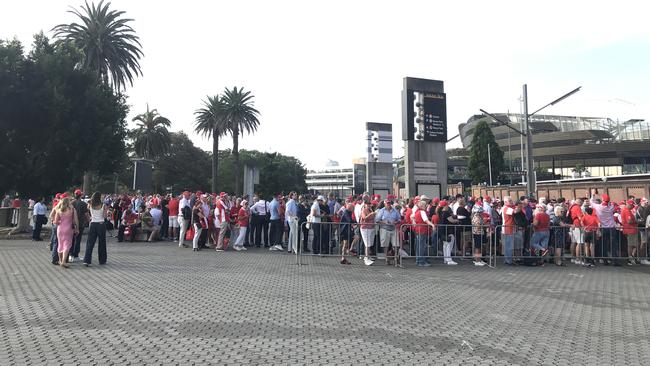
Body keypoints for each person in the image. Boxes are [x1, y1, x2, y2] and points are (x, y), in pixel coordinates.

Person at [53, 197, 79, 268]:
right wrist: (77, 228)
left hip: (60, 229)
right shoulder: (72, 210)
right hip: (69, 228)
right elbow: (76, 220)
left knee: (60, 244)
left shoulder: (59, 210)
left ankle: (60, 261)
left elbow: (55, 221)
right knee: (67, 245)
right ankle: (64, 261)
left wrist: (60, 222)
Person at [83, 192, 107, 266]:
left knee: (90, 243)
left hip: (93, 224)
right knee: (102, 242)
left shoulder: (90, 204)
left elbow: (86, 213)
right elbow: (105, 216)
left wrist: (90, 219)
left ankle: (87, 260)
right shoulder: (103, 205)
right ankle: (102, 260)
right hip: (101, 224)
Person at [375, 199, 400, 265]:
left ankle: (395, 258)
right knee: (385, 244)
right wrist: (384, 222)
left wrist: (396, 222)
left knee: (396, 245)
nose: (388, 204)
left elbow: (399, 218)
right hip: (384, 229)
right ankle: (387, 258)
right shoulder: (382, 210)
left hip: (393, 228)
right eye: (387, 203)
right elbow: (377, 220)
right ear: (384, 204)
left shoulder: (395, 210)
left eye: (389, 203)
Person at [621, 199, 638, 265]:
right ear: (628, 204)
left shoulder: (626, 210)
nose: (632, 207)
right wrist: (636, 221)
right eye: (631, 205)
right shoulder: (627, 211)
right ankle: (630, 258)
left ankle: (631, 257)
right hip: (630, 230)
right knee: (631, 245)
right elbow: (629, 221)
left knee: (633, 244)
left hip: (630, 229)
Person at [359, 201, 377, 266]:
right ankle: (366, 259)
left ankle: (368, 256)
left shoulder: (370, 210)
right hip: (365, 228)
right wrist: (371, 214)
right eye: (368, 204)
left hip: (371, 228)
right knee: (367, 243)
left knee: (370, 243)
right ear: (365, 205)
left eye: (369, 204)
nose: (369, 205)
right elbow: (364, 218)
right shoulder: (363, 210)